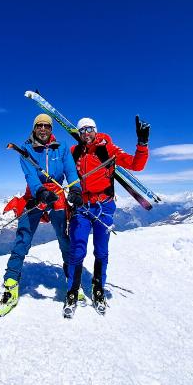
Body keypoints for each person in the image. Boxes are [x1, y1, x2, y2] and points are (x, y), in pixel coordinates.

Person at [0, 114, 84, 317]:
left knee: (64, 239)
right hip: (35, 196)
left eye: (46, 126)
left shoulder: (61, 148)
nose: (43, 129)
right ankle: (10, 286)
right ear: (34, 129)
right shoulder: (26, 150)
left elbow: (70, 171)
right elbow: (30, 176)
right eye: (39, 126)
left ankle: (72, 282)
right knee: (22, 240)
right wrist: (40, 191)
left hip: (57, 195)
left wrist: (76, 189)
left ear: (51, 129)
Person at [63, 116, 150, 317]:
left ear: (96, 130)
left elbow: (136, 165)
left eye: (90, 129)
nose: (87, 133)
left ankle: (98, 288)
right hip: (82, 208)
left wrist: (142, 144)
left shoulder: (107, 148)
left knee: (101, 251)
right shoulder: (74, 152)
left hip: (104, 207)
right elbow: (62, 173)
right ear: (78, 134)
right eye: (83, 130)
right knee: (77, 250)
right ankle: (72, 291)